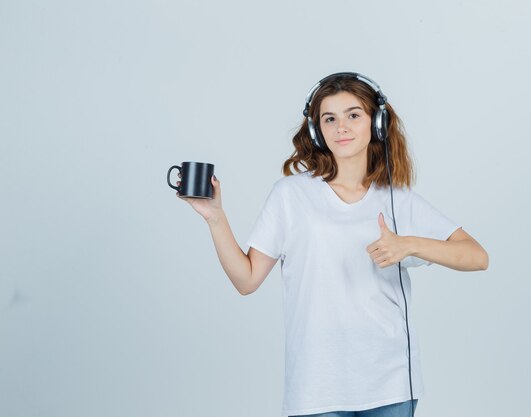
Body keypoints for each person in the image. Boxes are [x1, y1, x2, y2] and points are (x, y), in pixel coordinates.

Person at [176, 73, 489, 417]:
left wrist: (409, 245)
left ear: (378, 123)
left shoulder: (398, 198)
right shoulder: (291, 195)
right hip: (317, 388)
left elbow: (476, 256)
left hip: (391, 384)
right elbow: (246, 280)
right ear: (316, 129)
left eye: (353, 115)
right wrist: (215, 217)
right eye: (330, 118)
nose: (341, 126)